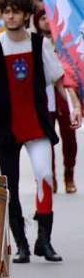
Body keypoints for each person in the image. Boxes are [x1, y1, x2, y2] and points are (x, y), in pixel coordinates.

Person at [0, 0, 81, 264]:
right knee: (10, 186)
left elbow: (58, 80)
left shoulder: (40, 44)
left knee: (44, 175)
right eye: (6, 11)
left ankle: (44, 240)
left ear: (26, 14)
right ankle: (21, 245)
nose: (10, 15)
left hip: (37, 123)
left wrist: (74, 106)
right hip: (6, 126)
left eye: (16, 11)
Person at [35, 10, 78, 194]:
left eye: (48, 18)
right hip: (44, 98)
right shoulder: (34, 43)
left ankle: (69, 174)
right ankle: (49, 176)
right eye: (42, 18)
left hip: (63, 93)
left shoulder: (64, 44)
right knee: (46, 140)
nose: (46, 22)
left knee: (69, 138)